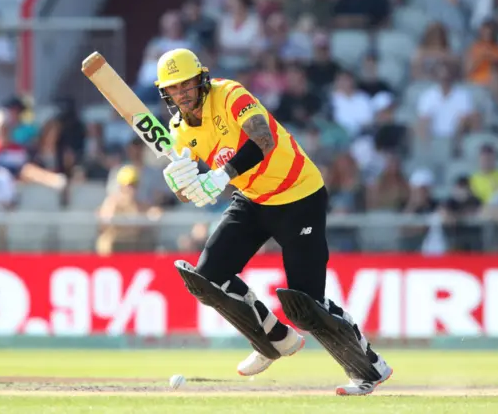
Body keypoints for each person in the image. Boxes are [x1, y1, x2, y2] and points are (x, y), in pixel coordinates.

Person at [155, 48, 392, 396]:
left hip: (299, 196)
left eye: (187, 84)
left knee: (306, 304)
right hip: (251, 200)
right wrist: (181, 183)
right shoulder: (179, 129)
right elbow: (191, 185)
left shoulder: (231, 94)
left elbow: (262, 140)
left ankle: (370, 368)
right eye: (173, 88)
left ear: (202, 79)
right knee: (206, 279)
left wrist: (219, 177)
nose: (182, 93)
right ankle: (274, 340)